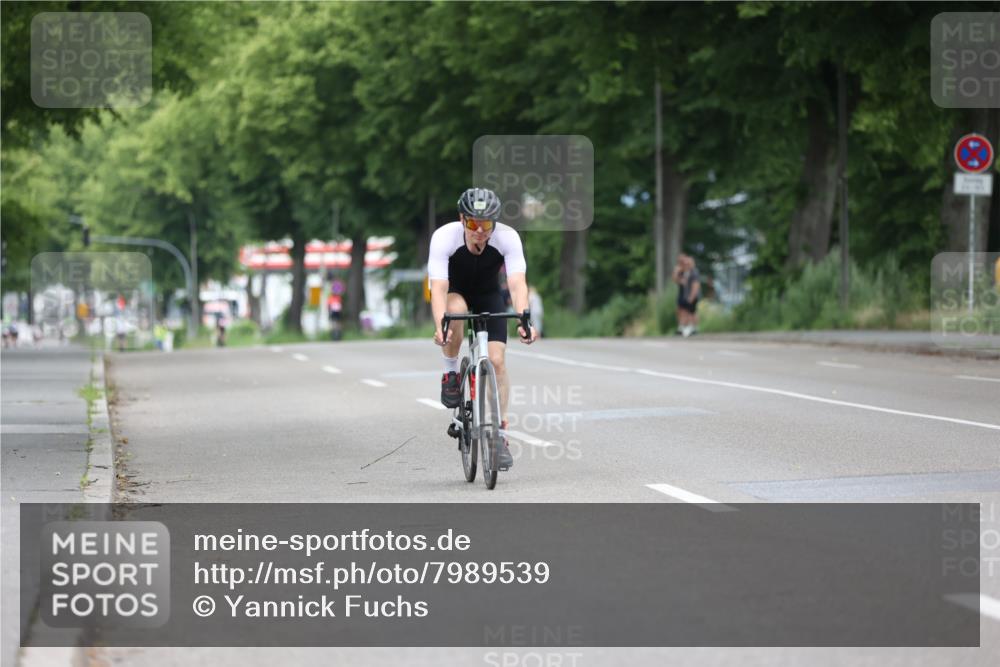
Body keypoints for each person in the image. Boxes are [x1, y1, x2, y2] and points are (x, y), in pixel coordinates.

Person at [428, 188, 538, 470]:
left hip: (489, 295)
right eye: (473, 223)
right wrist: (441, 326)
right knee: (455, 311)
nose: (479, 230)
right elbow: (438, 288)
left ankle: (499, 434)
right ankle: (451, 372)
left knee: (497, 361)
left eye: (486, 224)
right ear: (462, 219)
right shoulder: (444, 237)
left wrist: (524, 320)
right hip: (455, 292)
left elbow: (517, 284)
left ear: (495, 222)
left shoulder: (507, 237)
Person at [673, 254, 701, 337]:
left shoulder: (694, 272)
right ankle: (686, 328)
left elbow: (695, 286)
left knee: (692, 312)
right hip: (686, 295)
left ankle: (694, 328)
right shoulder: (684, 272)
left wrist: (692, 297)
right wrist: (676, 271)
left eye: (687, 263)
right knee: (686, 311)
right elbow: (676, 280)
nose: (686, 265)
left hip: (692, 295)